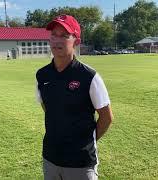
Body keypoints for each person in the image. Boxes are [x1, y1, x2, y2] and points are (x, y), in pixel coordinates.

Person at [36, 14, 113, 180]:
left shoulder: (89, 76)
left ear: (76, 41)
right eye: (54, 35)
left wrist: (85, 142)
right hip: (50, 158)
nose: (57, 40)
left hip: (81, 163)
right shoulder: (42, 75)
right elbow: (48, 109)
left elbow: (106, 117)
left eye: (64, 36)